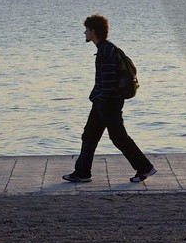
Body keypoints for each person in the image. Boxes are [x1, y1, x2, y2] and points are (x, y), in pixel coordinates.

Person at [63, 14, 157, 184]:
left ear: (93, 31)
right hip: (104, 102)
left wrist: (100, 99)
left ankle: (145, 168)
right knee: (89, 136)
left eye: (86, 30)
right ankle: (82, 173)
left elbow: (107, 82)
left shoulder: (105, 52)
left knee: (119, 138)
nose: (84, 33)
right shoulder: (106, 48)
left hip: (108, 104)